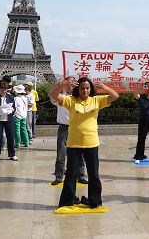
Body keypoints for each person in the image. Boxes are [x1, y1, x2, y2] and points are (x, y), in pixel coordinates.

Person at [50, 77, 119, 208]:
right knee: (71, 174)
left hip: (92, 143)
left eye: (87, 88)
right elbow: (53, 96)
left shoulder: (97, 100)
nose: (85, 90)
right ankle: (67, 201)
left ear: (91, 89)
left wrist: (104, 87)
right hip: (74, 143)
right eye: (82, 88)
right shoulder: (71, 100)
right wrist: (62, 85)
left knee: (94, 174)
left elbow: (115, 96)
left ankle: (95, 201)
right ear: (78, 89)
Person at [50, 76, 88, 185]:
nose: (71, 84)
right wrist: (60, 85)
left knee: (80, 153)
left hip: (77, 127)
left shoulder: (80, 98)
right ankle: (59, 176)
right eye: (69, 82)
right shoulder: (61, 97)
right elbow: (52, 95)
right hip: (64, 128)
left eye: (73, 82)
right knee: (61, 153)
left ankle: (80, 175)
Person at [0, 81, 17, 161]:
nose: (3, 91)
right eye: (2, 90)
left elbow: (14, 108)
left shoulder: (11, 97)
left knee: (11, 136)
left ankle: (12, 154)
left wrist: (12, 109)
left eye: (5, 90)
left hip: (8, 119)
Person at [132, 81, 149, 162]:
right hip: (143, 120)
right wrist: (141, 88)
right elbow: (135, 93)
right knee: (141, 139)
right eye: (147, 87)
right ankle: (139, 157)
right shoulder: (141, 97)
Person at [13, 84, 29, 149]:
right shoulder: (25, 98)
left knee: (17, 130)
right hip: (24, 115)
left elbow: (14, 107)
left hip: (17, 115)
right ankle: (26, 142)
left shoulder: (15, 98)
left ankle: (17, 143)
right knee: (24, 129)